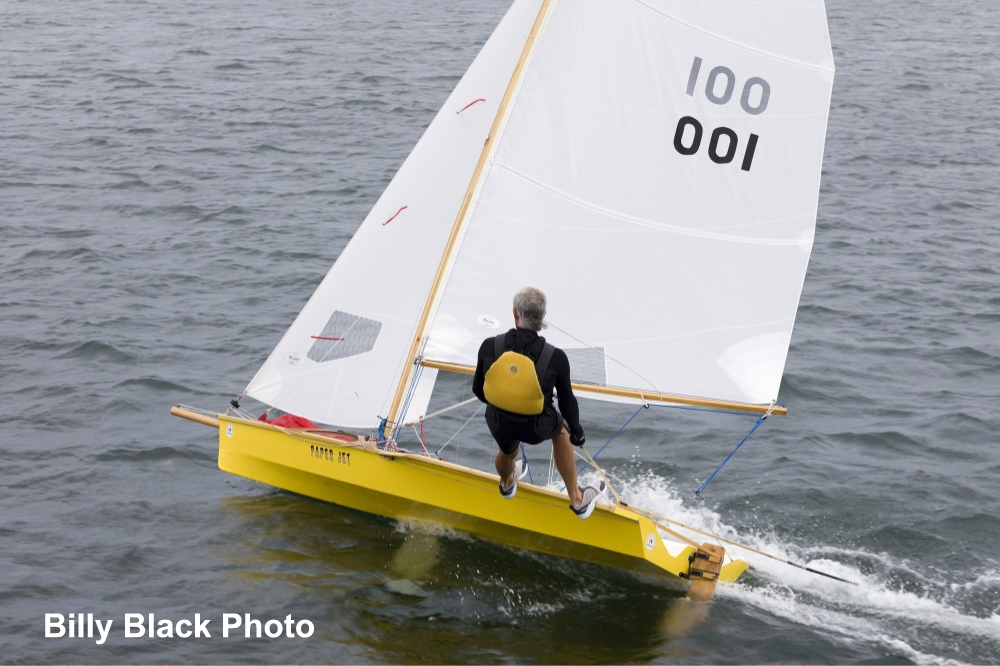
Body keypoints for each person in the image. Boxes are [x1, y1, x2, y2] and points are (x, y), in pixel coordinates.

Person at [472, 287, 606, 519]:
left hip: (498, 422)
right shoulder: (555, 357)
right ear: (543, 317)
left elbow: (478, 390)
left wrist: (503, 405)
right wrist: (577, 433)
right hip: (536, 428)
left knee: (507, 451)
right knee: (561, 433)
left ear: (515, 313)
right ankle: (577, 498)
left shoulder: (489, 345)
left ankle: (506, 483)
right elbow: (567, 403)